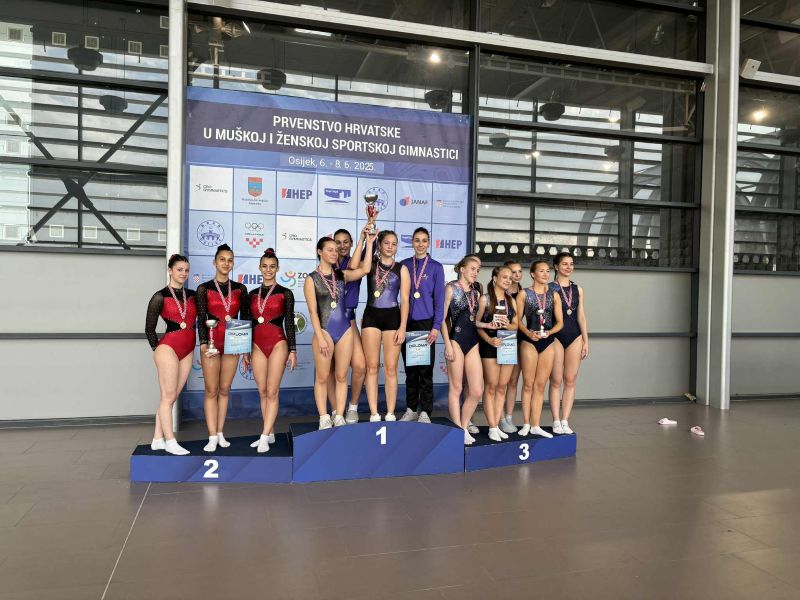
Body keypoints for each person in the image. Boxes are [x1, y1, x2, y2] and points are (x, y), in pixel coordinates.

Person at [305, 228, 375, 429]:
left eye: (336, 250)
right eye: (330, 249)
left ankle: (339, 415)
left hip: (345, 329)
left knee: (342, 376)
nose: (335, 253)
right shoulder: (311, 279)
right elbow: (312, 312)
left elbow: (365, 269)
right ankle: (324, 417)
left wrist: (369, 242)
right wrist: (320, 337)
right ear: (319, 252)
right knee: (322, 376)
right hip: (324, 330)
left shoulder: (341, 275)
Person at [351, 230, 410, 421]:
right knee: (372, 367)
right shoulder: (371, 264)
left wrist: (402, 327)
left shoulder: (401, 269)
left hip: (393, 318)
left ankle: (391, 412)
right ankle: (374, 412)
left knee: (391, 368)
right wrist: (367, 241)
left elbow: (405, 299)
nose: (390, 247)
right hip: (371, 317)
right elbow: (353, 266)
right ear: (380, 245)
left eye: (394, 243)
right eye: (386, 243)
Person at [196, 244, 250, 452]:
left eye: (230, 260)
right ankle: (211, 436)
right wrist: (203, 343)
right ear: (215, 262)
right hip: (211, 342)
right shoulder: (204, 289)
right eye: (222, 259)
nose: (226, 263)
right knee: (211, 390)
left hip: (233, 342)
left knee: (225, 389)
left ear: (233, 263)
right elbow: (202, 318)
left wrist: (245, 348)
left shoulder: (240, 289)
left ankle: (220, 432)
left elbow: (244, 318)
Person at [243, 249, 297, 453]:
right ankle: (270, 432)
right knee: (263, 391)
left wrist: (292, 350)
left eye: (272, 266)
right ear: (259, 268)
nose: (268, 270)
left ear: (277, 268)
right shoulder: (251, 295)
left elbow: (289, 322)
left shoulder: (285, 293)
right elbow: (247, 323)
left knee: (272, 391)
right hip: (256, 344)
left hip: (278, 344)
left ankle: (264, 436)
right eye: (265, 266)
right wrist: (244, 350)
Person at [144, 254, 196, 456]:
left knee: (171, 396)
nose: (183, 273)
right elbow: (149, 328)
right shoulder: (160, 296)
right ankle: (171, 441)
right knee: (167, 396)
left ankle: (157, 438)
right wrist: (158, 349)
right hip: (168, 348)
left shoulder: (192, 295)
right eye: (179, 269)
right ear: (170, 270)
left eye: (186, 270)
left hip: (188, 349)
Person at [441, 255, 493, 445]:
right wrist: (447, 344)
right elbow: (442, 319)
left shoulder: (476, 293)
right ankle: (458, 429)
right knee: (456, 388)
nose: (475, 272)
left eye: (478, 270)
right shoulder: (450, 288)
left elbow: (474, 321)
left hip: (472, 343)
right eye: (472, 268)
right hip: (455, 340)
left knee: (477, 390)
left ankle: (463, 426)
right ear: (462, 269)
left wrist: (488, 325)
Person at [399, 227, 445, 424]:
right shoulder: (404, 265)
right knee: (410, 370)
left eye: (424, 240)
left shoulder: (436, 267)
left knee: (425, 371)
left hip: (426, 323)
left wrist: (436, 326)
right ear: (412, 242)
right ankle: (411, 409)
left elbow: (440, 300)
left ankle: (425, 410)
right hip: (406, 322)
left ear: (429, 243)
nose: (420, 244)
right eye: (417, 240)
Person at [516, 260, 563, 438]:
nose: (545, 274)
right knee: (528, 384)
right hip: (529, 340)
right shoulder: (524, 294)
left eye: (547, 271)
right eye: (541, 271)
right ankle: (526, 423)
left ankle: (535, 424)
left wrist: (549, 332)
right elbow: (517, 320)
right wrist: (528, 333)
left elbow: (560, 322)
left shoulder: (554, 295)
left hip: (547, 341)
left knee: (540, 385)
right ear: (533, 274)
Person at [329, 229, 367, 424]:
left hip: (349, 319)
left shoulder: (357, 263)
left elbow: (369, 249)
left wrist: (367, 230)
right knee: (330, 369)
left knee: (360, 366)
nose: (342, 246)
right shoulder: (327, 263)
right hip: (328, 320)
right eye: (338, 242)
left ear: (352, 243)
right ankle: (336, 410)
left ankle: (352, 407)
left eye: (346, 242)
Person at [548, 252, 589, 435]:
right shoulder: (548, 288)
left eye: (571, 264)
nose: (568, 267)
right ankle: (556, 420)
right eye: (564, 264)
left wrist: (586, 340)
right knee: (556, 380)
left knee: (570, 380)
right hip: (556, 336)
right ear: (556, 266)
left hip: (575, 336)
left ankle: (565, 420)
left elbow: (581, 316)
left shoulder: (578, 289)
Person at [477, 265, 519, 442]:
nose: (508, 280)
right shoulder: (485, 299)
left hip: (507, 345)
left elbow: (516, 326)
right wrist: (489, 339)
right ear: (495, 278)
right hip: (490, 345)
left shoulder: (511, 301)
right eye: (504, 277)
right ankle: (492, 427)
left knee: (502, 387)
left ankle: (497, 425)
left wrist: (506, 325)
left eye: (510, 277)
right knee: (491, 386)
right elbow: (477, 324)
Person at [500, 260, 524, 434]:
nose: (516, 275)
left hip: (519, 338)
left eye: (519, 271)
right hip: (502, 339)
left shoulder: (525, 292)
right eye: (513, 272)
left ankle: (508, 416)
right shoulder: (499, 292)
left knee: (513, 381)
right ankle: (499, 417)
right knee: (500, 382)